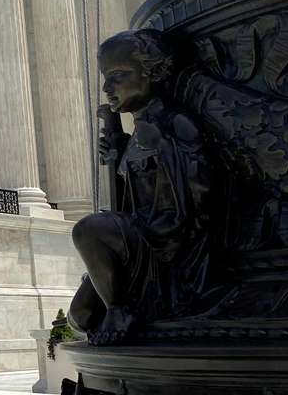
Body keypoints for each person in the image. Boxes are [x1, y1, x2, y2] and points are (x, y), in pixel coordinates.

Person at [68, 29, 217, 345]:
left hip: (166, 242)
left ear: (154, 73)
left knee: (86, 229)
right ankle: (117, 306)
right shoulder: (138, 134)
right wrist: (119, 153)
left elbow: (197, 201)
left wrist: (156, 232)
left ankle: (120, 309)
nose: (108, 88)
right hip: (142, 237)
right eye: (106, 78)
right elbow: (129, 203)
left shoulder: (173, 126)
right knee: (80, 316)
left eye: (118, 76)